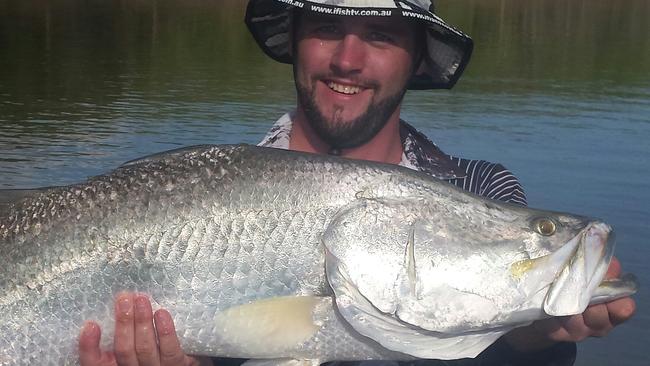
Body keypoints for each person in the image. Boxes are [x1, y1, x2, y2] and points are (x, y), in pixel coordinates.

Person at [77, 1, 636, 365]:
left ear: (417, 59)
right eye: (325, 28)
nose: (347, 59)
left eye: (379, 35)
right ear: (295, 41)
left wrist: (533, 339)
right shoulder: (191, 194)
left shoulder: (482, 189)